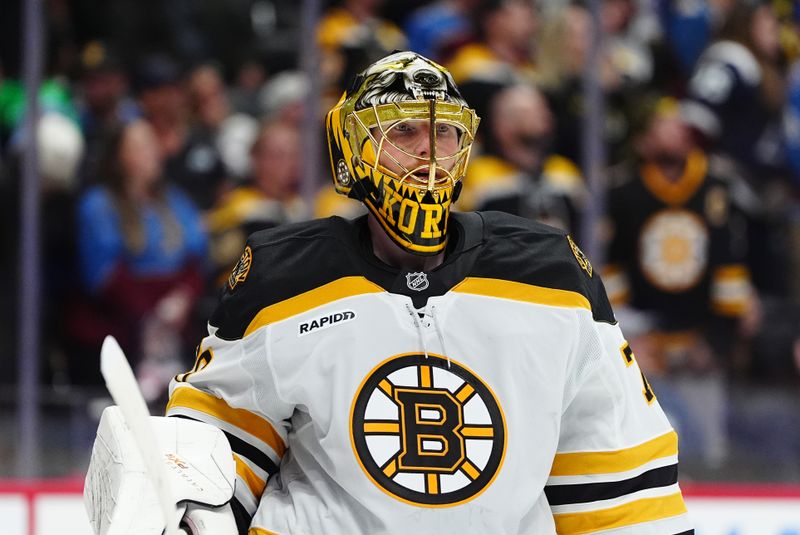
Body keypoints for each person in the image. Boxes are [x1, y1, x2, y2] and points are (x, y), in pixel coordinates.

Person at [86, 52, 693, 534]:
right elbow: (219, 451)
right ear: (355, 148)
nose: (431, 152)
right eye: (404, 133)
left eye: (446, 135)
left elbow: (619, 478)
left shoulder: (552, 276)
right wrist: (186, 504)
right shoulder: (281, 278)